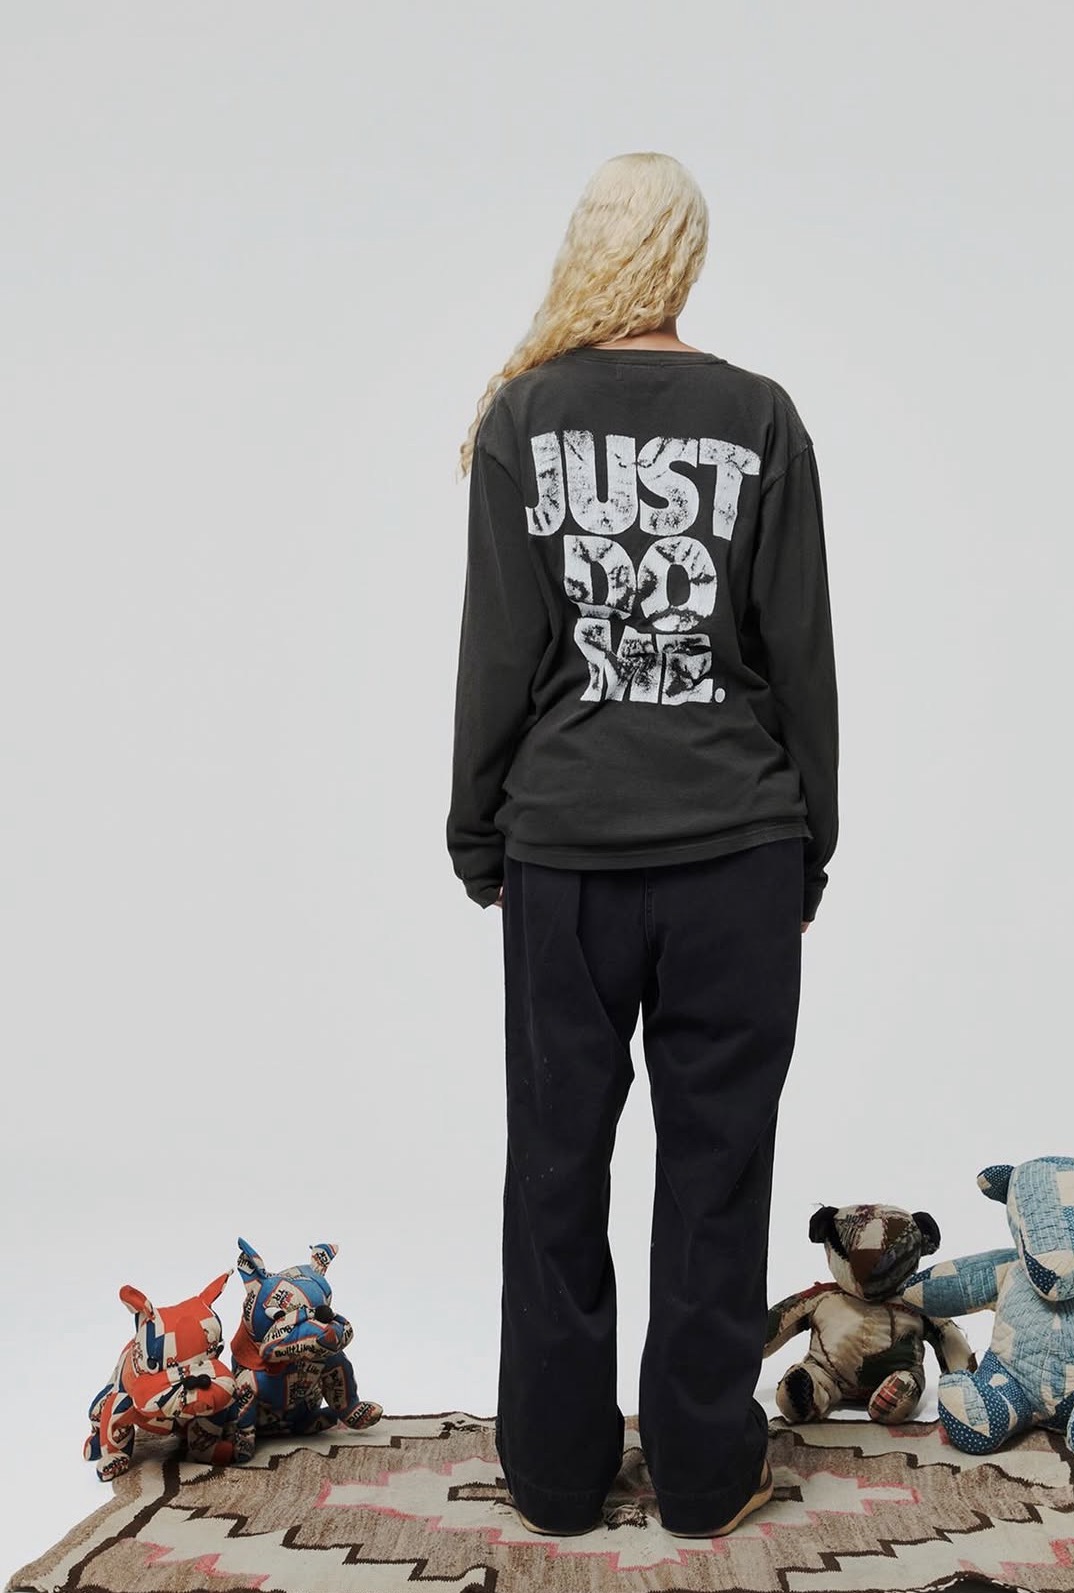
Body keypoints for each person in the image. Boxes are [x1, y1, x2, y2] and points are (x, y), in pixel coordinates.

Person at [446, 150, 840, 1538]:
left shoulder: (523, 416)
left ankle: (556, 1479)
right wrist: (811, 845)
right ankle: (704, 1475)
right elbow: (800, 653)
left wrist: (478, 829)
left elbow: (499, 649)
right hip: (738, 848)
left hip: (565, 856)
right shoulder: (759, 417)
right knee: (717, 1166)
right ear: (686, 257)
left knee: (555, 1163)